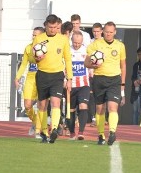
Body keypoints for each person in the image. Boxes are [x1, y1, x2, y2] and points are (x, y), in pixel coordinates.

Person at [33, 14, 72, 144]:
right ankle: (44, 132)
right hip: (42, 74)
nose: (53, 30)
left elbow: (68, 58)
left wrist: (70, 78)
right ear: (46, 25)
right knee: (42, 105)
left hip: (57, 75)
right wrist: (37, 58)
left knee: (56, 102)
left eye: (55, 27)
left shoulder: (63, 39)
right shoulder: (39, 38)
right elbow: (33, 57)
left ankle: (54, 129)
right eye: (50, 27)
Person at [85, 21, 126, 145]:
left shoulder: (120, 46)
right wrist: (94, 64)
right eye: (106, 32)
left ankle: (112, 132)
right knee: (100, 108)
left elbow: (123, 66)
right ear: (103, 31)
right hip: (99, 79)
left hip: (114, 79)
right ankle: (101, 135)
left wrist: (122, 85)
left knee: (113, 107)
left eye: (111, 32)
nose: (108, 34)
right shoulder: (95, 44)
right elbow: (86, 63)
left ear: (115, 32)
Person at [14, 27, 45, 136]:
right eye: (33, 35)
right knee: (27, 105)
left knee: (42, 105)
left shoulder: (47, 48)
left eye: (36, 35)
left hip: (43, 77)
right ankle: (36, 122)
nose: (34, 37)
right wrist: (17, 77)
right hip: (31, 77)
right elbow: (23, 64)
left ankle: (39, 129)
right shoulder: (28, 48)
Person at [66, 30, 92, 140]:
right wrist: (65, 81)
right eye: (75, 42)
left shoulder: (86, 50)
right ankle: (72, 132)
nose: (77, 45)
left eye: (79, 43)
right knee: (70, 110)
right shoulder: (67, 50)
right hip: (70, 85)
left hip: (84, 84)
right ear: (72, 40)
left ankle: (81, 132)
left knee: (83, 105)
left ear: (82, 42)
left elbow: (91, 65)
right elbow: (64, 67)